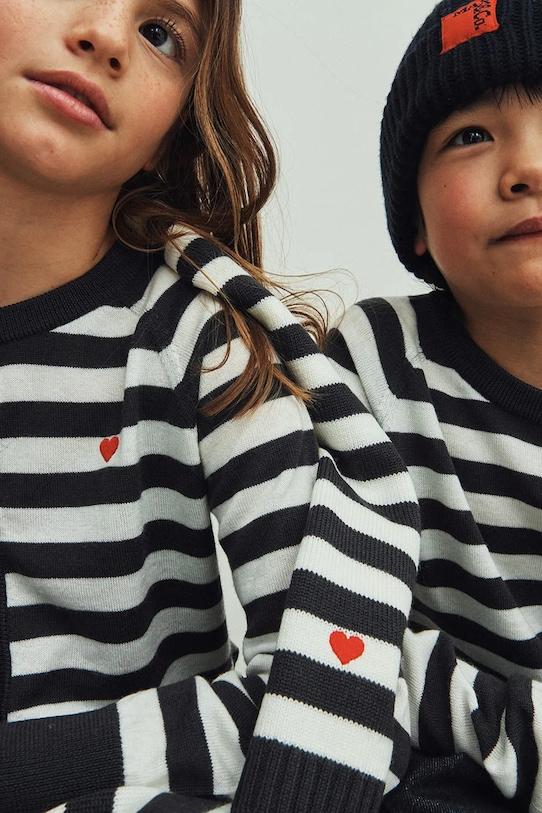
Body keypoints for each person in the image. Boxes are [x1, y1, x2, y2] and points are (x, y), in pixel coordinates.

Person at [0, 1, 426, 812]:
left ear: (173, 131)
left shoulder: (203, 343)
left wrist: (26, 770)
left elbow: (334, 690)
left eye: (161, 34)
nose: (106, 36)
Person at [313, 0, 542, 810]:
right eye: (471, 135)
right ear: (413, 220)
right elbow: (348, 642)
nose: (526, 168)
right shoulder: (373, 363)